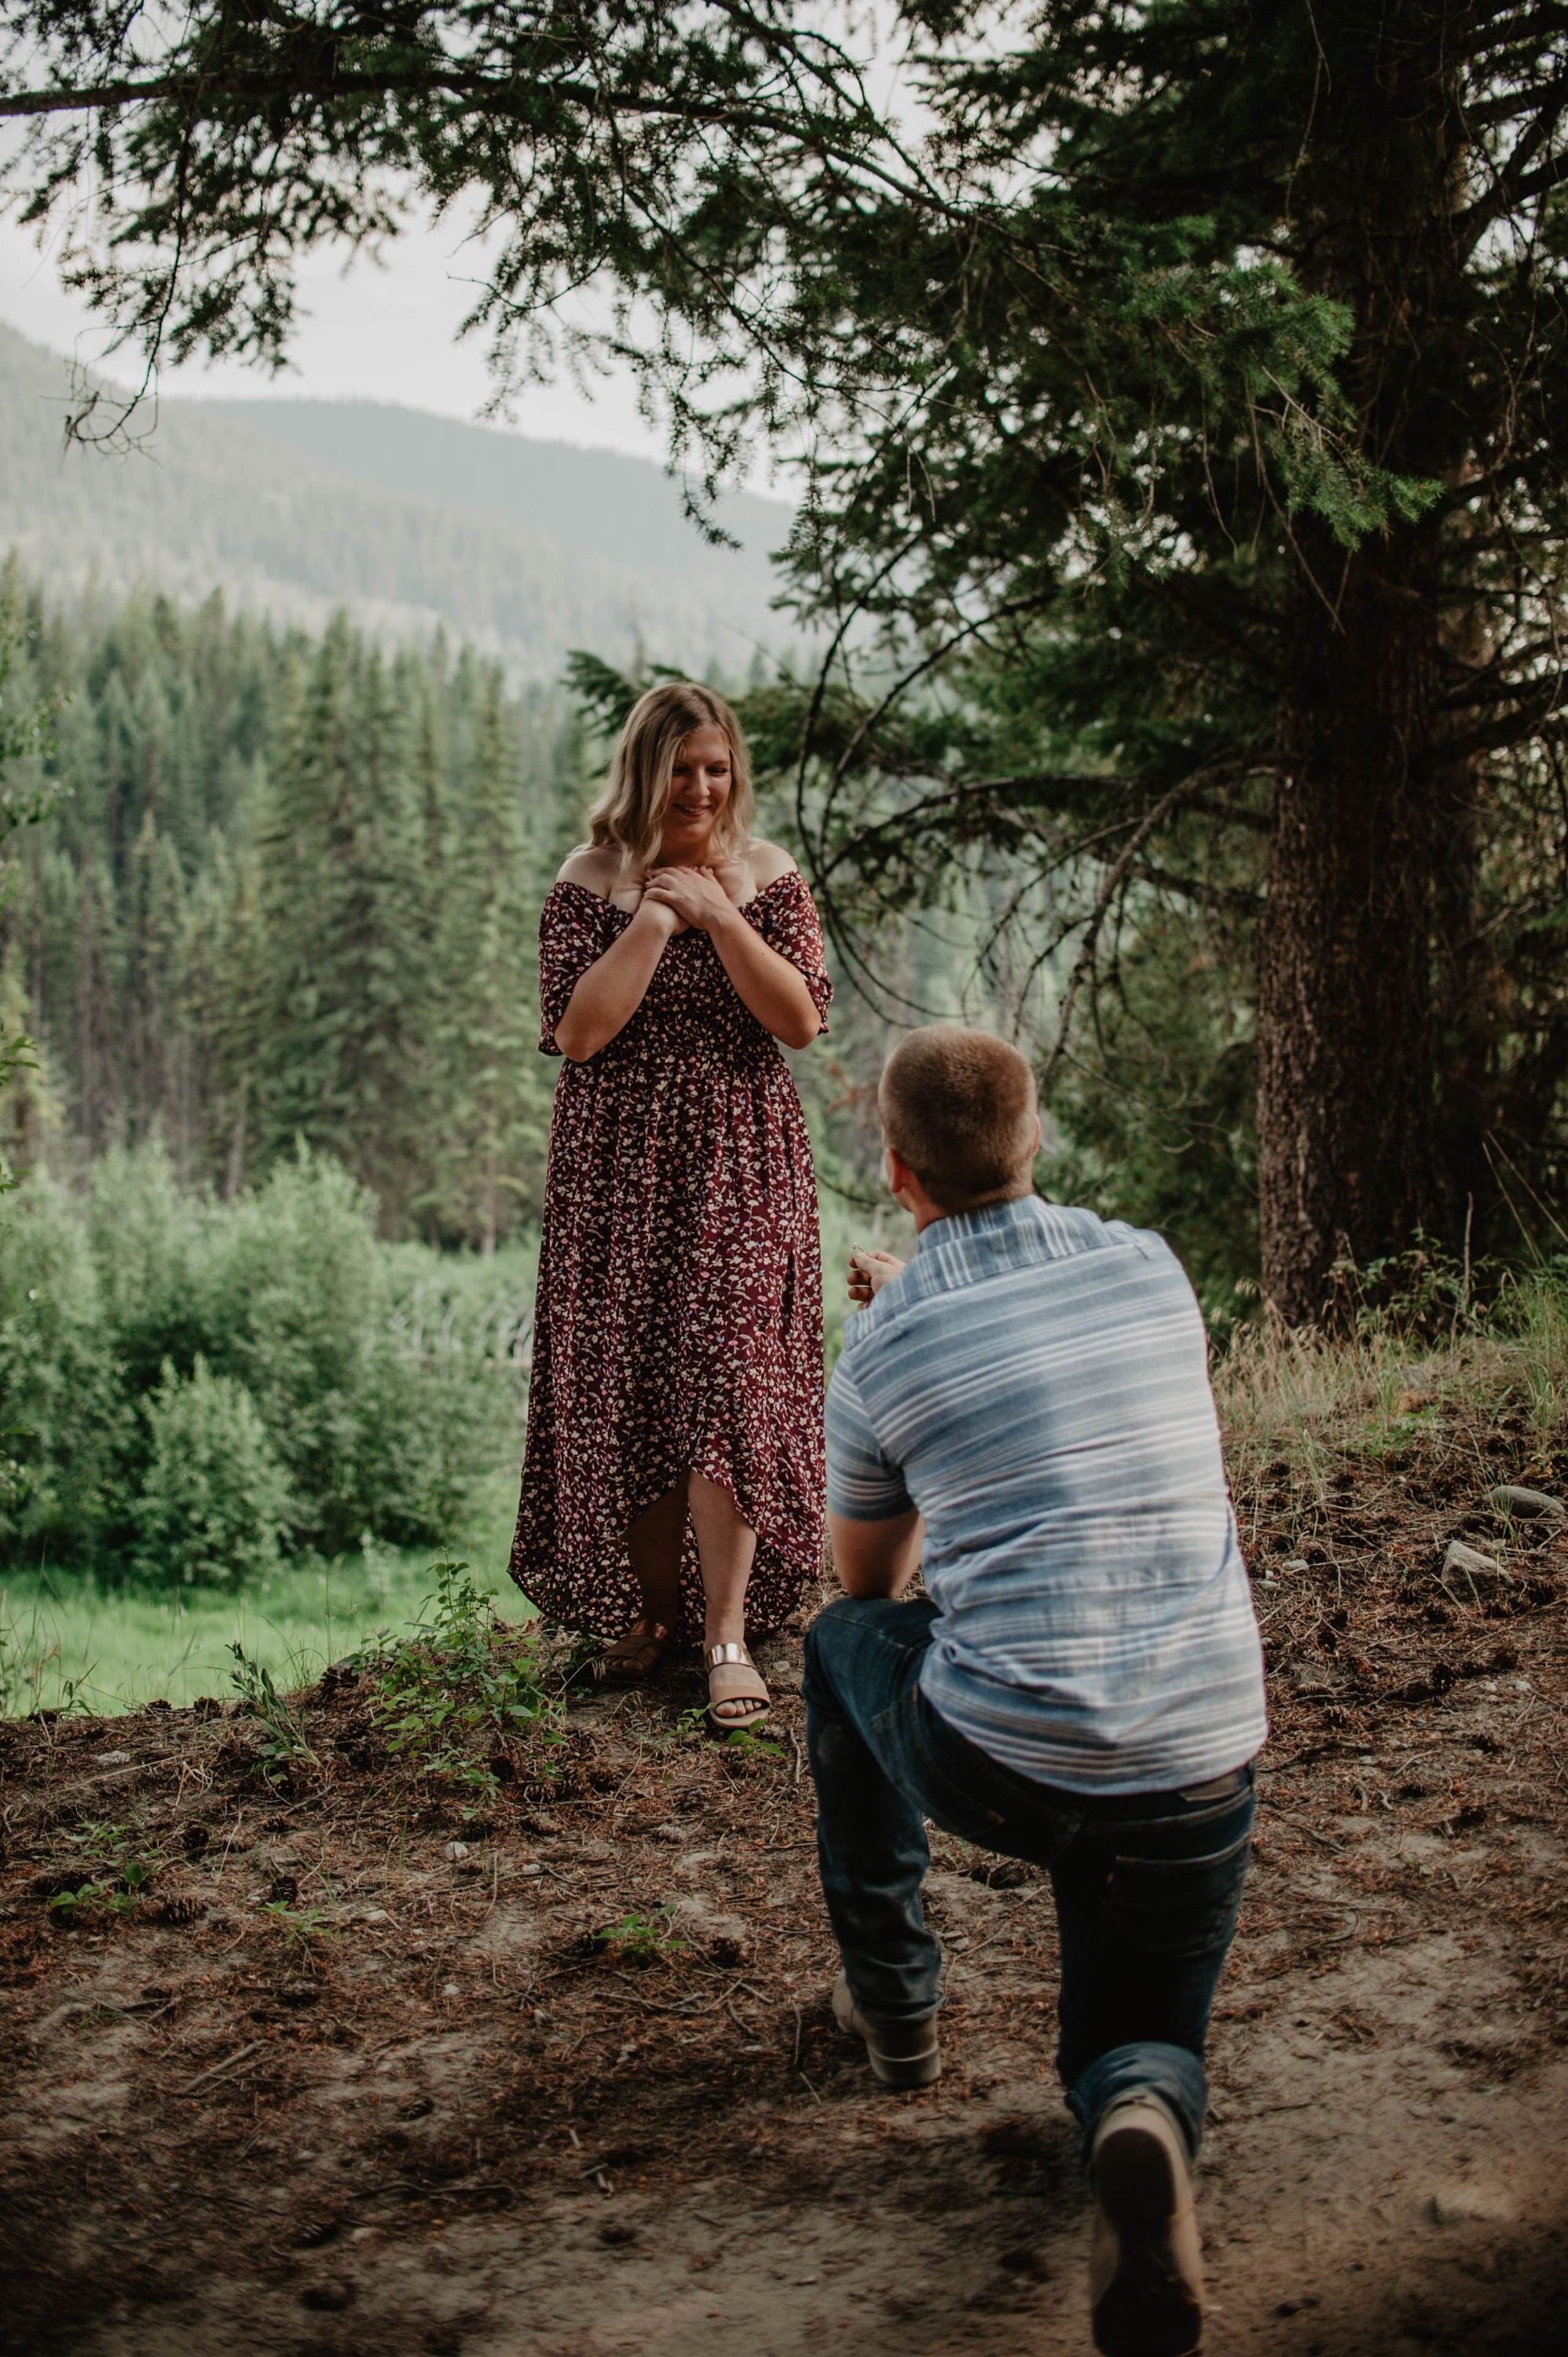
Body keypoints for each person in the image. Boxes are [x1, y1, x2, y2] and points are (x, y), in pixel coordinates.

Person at [806, 1025, 1267, 2357]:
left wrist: (895, 1325)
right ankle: (1135, 2120)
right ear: (1038, 1138)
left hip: (1000, 1759)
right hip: (1196, 1753)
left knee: (843, 1646)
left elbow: (871, 1576)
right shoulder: (1152, 1269)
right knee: (1135, 2044)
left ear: (896, 1173)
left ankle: (893, 2002)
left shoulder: (886, 1349)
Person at [508, 681, 830, 1729]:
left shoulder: (772, 876)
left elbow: (800, 1019)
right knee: (637, 1387)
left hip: (740, 1159)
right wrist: (653, 913)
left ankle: (728, 1634)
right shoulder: (586, 881)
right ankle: (654, 1619)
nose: (700, 786)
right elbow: (580, 1033)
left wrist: (721, 915)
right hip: (617, 1173)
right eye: (681, 768)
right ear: (644, 772)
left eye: (717, 768)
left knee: (732, 1380)